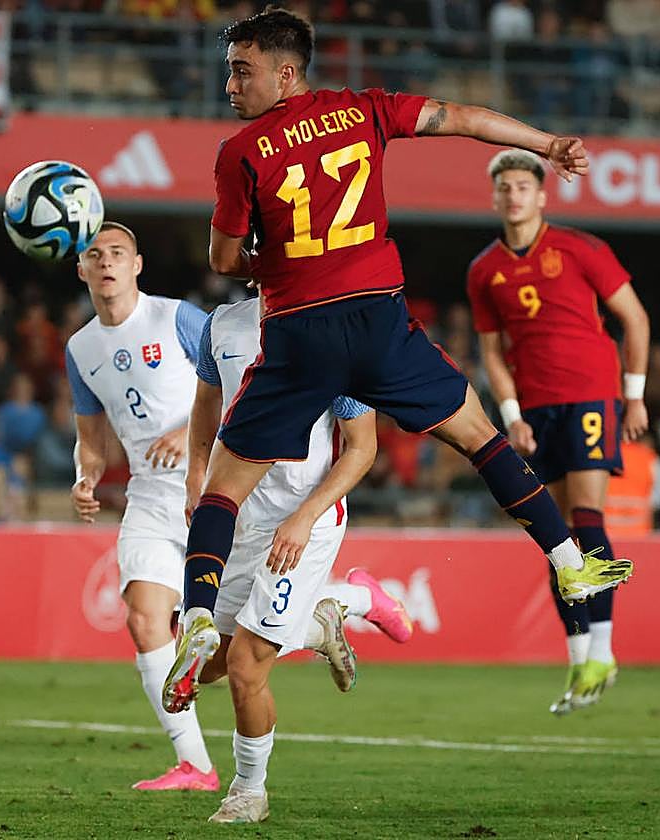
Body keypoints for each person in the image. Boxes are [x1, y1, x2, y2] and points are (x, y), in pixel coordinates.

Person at [164, 5, 632, 730]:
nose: (230, 84)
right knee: (481, 435)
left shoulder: (240, 152)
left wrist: (279, 257)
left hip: (298, 329)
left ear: (285, 73)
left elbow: (224, 261)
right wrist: (548, 143)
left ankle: (197, 615)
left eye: (241, 69)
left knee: (223, 484)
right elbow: (466, 118)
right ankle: (569, 557)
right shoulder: (365, 110)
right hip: (380, 320)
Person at [187, 293, 414, 823]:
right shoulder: (221, 325)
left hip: (304, 523)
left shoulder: (333, 331)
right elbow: (205, 408)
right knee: (213, 664)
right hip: (236, 519)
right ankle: (337, 610)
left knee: (246, 665)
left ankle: (249, 792)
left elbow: (361, 447)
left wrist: (306, 517)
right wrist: (197, 479)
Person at [466, 149, 650, 715]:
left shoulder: (579, 248)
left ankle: (604, 650)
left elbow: (635, 318)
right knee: (558, 540)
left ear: (542, 195)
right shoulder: (483, 271)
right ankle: (579, 663)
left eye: (524, 186)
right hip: (537, 410)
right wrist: (512, 413)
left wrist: (635, 395)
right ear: (495, 196)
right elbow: (492, 353)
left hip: (591, 393)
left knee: (588, 516)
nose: (514, 196)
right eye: (506, 188)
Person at [65, 221, 218, 792]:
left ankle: (352, 598)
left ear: (137, 265)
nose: (106, 262)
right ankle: (196, 765)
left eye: (117, 253)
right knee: (144, 619)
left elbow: (244, 378)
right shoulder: (80, 347)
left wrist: (188, 429)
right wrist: (86, 476)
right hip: (151, 496)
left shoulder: (175, 317)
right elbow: (91, 436)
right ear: (81, 269)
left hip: (215, 481)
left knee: (246, 638)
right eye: (95, 254)